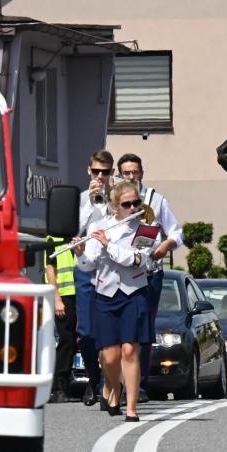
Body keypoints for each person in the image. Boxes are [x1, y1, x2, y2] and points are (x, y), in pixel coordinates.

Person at [74, 179, 157, 421]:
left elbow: (135, 260)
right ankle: (111, 386)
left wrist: (108, 245)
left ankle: (131, 408)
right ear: (115, 206)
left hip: (134, 294)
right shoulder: (99, 228)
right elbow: (88, 265)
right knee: (110, 357)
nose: (133, 208)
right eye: (127, 204)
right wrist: (81, 253)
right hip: (106, 295)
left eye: (136, 203)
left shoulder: (146, 230)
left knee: (130, 350)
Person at [116, 152, 184, 395]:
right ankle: (110, 384)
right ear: (119, 174)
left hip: (149, 274)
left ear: (142, 173)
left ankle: (138, 386)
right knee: (114, 331)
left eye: (135, 172)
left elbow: (176, 232)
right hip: (115, 275)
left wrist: (166, 245)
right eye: (127, 173)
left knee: (142, 330)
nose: (132, 177)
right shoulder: (111, 200)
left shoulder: (156, 200)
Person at [76, 150, 115, 407]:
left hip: (111, 271)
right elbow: (74, 229)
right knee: (88, 335)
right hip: (86, 270)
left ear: (112, 173)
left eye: (105, 172)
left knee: (111, 336)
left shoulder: (120, 199)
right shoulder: (81, 200)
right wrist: (91, 203)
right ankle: (93, 378)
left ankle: (108, 386)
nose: (100, 177)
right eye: (96, 172)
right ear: (89, 171)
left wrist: (109, 204)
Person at [44, 227, 79, 403]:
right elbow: (50, 269)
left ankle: (68, 384)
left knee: (75, 341)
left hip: (79, 294)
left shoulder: (76, 236)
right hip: (63, 296)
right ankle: (58, 387)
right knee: (66, 341)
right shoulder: (52, 239)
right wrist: (57, 298)